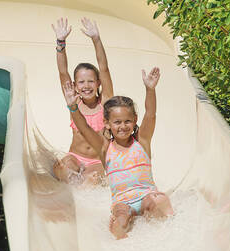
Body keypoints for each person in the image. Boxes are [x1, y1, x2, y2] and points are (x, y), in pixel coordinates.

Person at [62, 67, 174, 239]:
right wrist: (72, 107)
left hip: (146, 195)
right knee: (120, 220)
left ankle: (166, 235)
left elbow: (150, 114)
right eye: (117, 122)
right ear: (106, 123)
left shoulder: (141, 142)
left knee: (158, 202)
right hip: (122, 202)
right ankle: (122, 244)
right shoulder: (105, 148)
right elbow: (84, 128)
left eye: (127, 121)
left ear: (135, 120)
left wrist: (150, 89)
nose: (123, 126)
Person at [51, 17, 113, 184]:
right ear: (75, 86)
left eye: (91, 81)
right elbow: (63, 72)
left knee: (91, 181)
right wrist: (60, 42)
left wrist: (96, 39)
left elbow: (104, 68)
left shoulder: (106, 103)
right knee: (63, 169)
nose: (86, 86)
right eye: (81, 82)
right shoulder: (74, 102)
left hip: (97, 161)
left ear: (98, 83)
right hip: (75, 157)